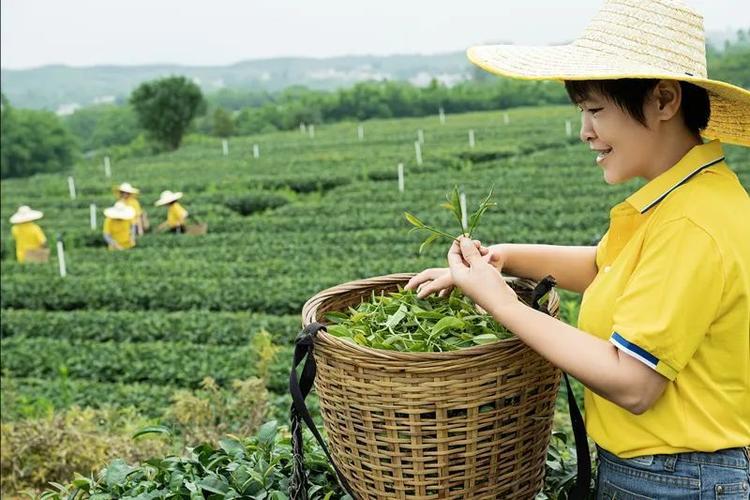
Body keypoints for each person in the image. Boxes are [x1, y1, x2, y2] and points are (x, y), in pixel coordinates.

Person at [406, 0, 750, 498]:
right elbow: (602, 266)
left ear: (664, 100)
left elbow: (633, 382)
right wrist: (499, 259)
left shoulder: (691, 224)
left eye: (594, 110)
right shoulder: (691, 195)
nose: (585, 131)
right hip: (670, 475)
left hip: (674, 482)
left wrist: (497, 301)